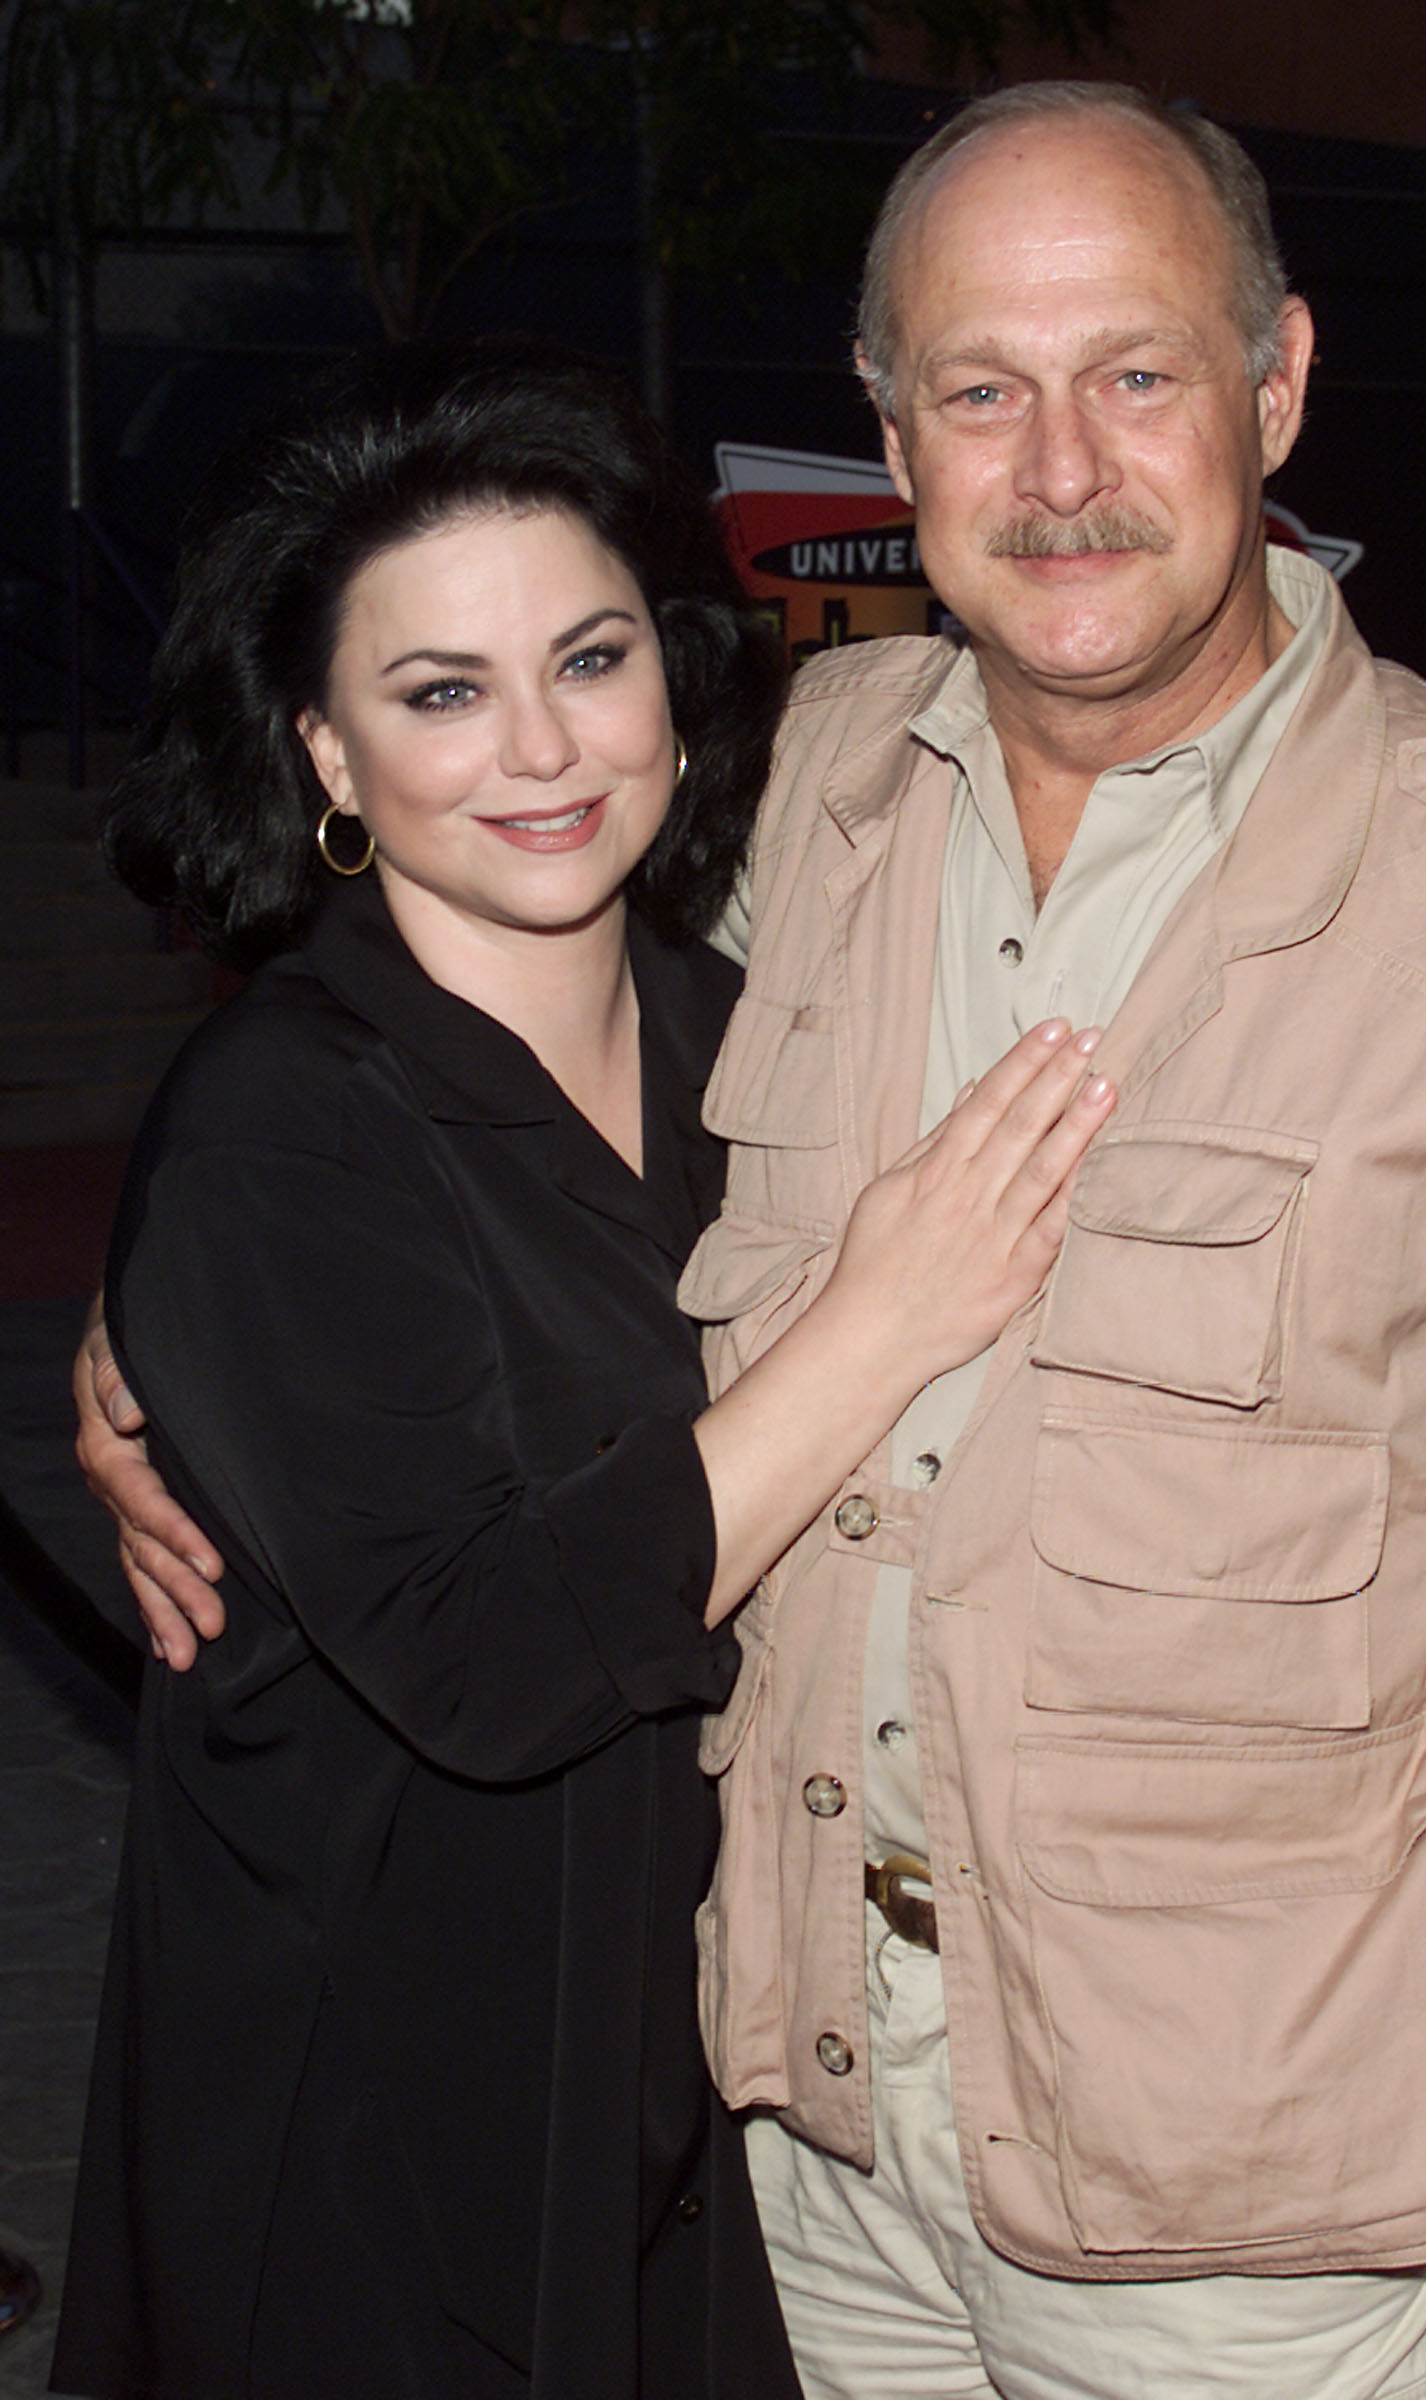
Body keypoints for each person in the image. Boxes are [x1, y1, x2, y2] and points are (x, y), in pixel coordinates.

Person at [81, 82, 1426, 2400]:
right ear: (889, 433)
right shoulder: (802, 793)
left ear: (1279, 383)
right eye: (982, 388)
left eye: (1139, 373)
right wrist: (163, 1337)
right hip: (806, 2165)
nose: (1062, 465)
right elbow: (436, 1067)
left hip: (1264, 2228)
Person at [51, 337, 1113, 2400]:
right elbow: (496, 1653)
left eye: (590, 658)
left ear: (674, 678)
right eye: (439, 692)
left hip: (695, 2037)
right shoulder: (283, 1122)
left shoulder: (751, 1028)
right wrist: (883, 1312)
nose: (540, 747)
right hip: (385, 2075)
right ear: (328, 759)